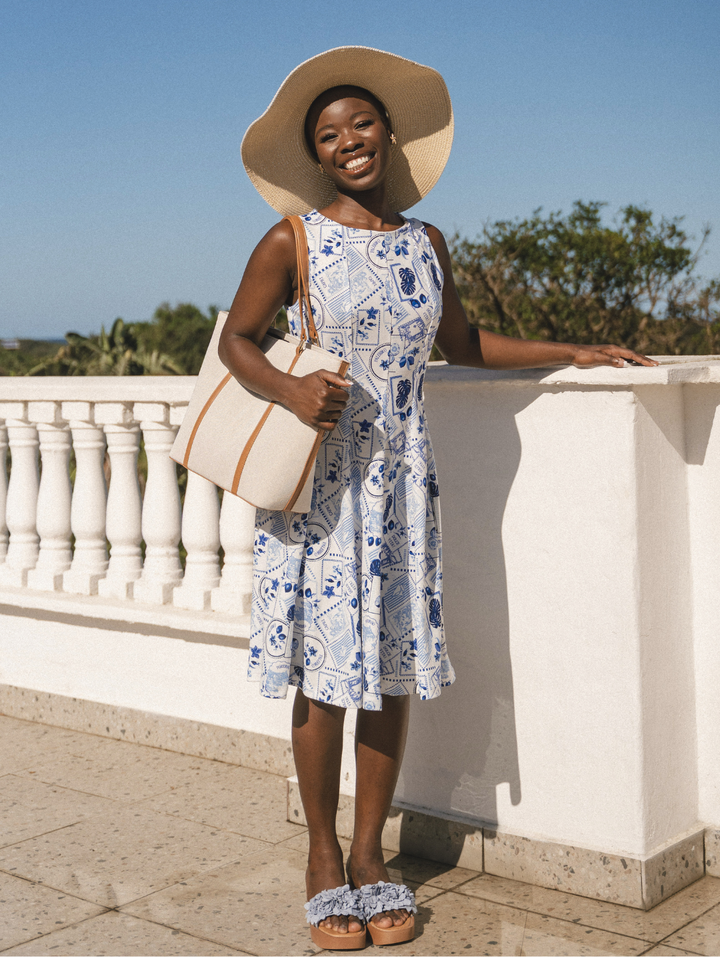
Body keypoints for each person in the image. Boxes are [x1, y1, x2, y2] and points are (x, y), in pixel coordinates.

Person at [218, 46, 657, 950]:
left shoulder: (427, 244)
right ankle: (320, 856)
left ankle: (373, 858)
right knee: (321, 682)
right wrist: (290, 390)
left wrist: (569, 351)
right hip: (319, 492)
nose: (350, 143)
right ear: (318, 155)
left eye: (362, 125)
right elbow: (235, 342)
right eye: (330, 135)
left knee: (386, 673)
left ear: (389, 134)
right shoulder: (292, 239)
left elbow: (462, 342)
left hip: (402, 492)